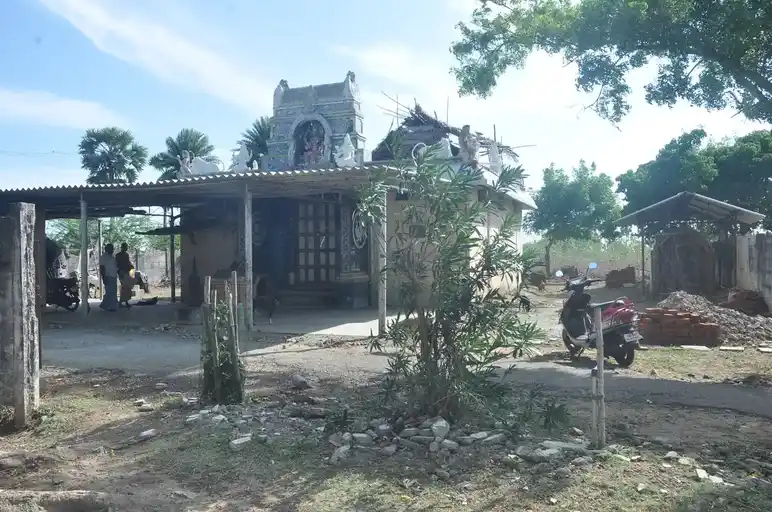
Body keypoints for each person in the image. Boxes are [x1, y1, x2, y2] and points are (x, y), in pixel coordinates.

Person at [98, 243, 118, 312]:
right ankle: (113, 307)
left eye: (112, 248)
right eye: (110, 248)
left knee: (111, 292)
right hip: (108, 276)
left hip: (113, 276)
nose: (112, 249)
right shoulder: (104, 257)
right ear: (106, 249)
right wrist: (103, 277)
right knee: (111, 292)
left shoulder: (111, 256)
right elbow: (102, 267)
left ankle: (104, 305)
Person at [115, 243, 134, 308]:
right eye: (126, 247)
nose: (127, 248)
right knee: (125, 288)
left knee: (125, 288)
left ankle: (124, 302)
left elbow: (128, 263)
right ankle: (122, 302)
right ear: (122, 247)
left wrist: (131, 267)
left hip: (125, 272)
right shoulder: (119, 255)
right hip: (122, 273)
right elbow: (117, 264)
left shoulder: (126, 255)